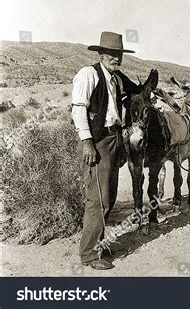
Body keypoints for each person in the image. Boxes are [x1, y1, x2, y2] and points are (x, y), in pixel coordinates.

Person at [71, 31, 140, 270]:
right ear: (101, 54)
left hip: (113, 139)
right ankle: (89, 254)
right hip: (97, 141)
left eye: (119, 54)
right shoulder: (88, 74)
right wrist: (87, 142)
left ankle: (99, 245)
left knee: (108, 197)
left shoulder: (117, 79)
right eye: (111, 53)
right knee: (97, 199)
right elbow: (78, 109)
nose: (116, 58)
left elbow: (135, 93)